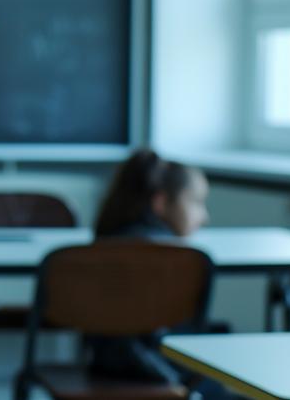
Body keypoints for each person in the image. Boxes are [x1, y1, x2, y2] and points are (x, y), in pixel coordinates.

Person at [88, 148, 230, 397]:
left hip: (105, 362)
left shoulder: (100, 247)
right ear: (161, 202)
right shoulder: (178, 258)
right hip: (155, 364)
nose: (204, 216)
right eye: (195, 202)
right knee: (221, 339)